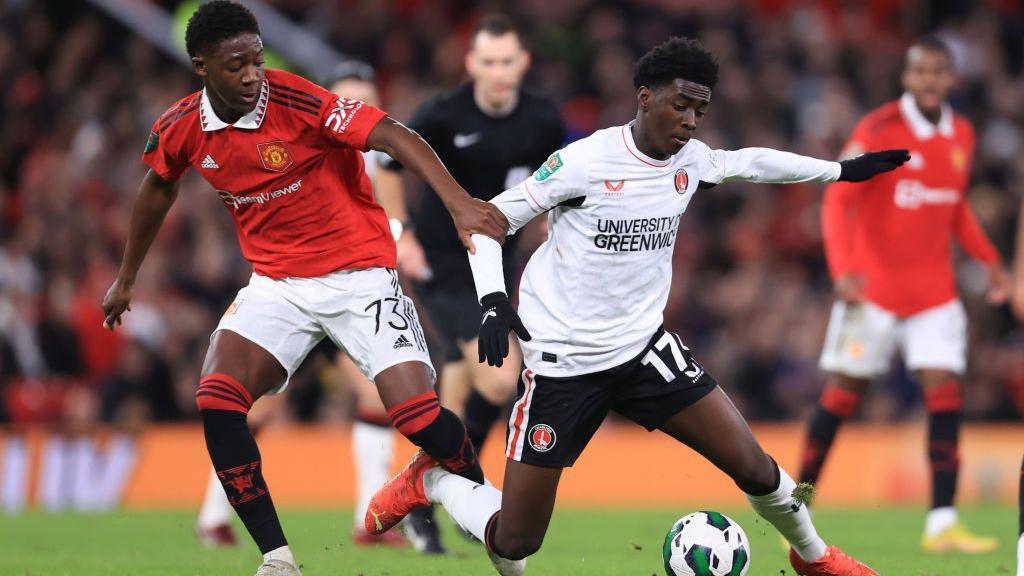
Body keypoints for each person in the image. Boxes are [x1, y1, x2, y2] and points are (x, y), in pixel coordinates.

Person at [365, 37, 908, 576]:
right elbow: (487, 222)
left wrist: (840, 171)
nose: (692, 120)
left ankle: (815, 558)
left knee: (756, 467)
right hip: (563, 366)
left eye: (700, 108)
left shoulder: (691, 161)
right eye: (681, 104)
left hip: (644, 350)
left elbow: (750, 163)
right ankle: (431, 480)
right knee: (515, 542)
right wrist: (492, 300)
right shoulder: (583, 162)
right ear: (645, 98)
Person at [100, 3, 506, 576]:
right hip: (277, 286)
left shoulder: (296, 101)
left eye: (258, 61)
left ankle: (462, 491)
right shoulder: (181, 126)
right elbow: (157, 186)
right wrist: (125, 278)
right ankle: (277, 557)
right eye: (236, 65)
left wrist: (459, 203)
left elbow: (390, 133)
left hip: (359, 276)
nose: (251, 76)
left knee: (417, 418)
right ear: (202, 67)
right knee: (218, 398)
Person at [192, 62, 432, 552]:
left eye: (366, 96)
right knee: (256, 408)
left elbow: (395, 216)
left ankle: (368, 521)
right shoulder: (303, 135)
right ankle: (213, 515)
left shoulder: (379, 153)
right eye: (349, 96)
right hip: (294, 293)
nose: (357, 107)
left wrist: (395, 245)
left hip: (351, 292)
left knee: (371, 400)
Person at [796, 36, 1007, 554]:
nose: (931, 80)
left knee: (945, 392)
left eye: (940, 72)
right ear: (908, 78)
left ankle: (942, 522)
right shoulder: (878, 129)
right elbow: (836, 197)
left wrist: (992, 263)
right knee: (842, 395)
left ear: (950, 79)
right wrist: (842, 270)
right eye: (921, 72)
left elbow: (953, 207)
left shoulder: (962, 131)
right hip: (872, 289)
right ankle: (796, 510)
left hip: (933, 292)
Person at [380, 13, 564, 457]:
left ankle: (434, 488)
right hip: (442, 263)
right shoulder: (442, 115)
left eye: (506, 61)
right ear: (471, 63)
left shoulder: (543, 120)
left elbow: (554, 185)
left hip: (499, 265)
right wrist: (400, 234)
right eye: (489, 62)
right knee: (501, 376)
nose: (497, 72)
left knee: (462, 385)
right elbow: (387, 167)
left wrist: (547, 229)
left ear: (523, 62)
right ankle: (465, 475)